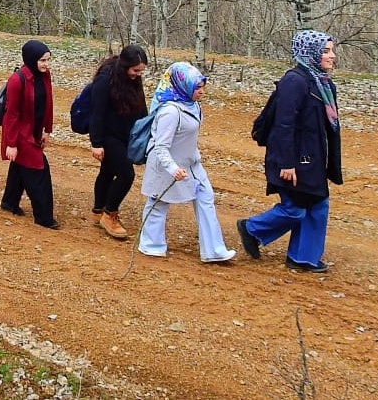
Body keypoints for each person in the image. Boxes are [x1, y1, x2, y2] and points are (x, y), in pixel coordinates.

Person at [237, 30, 343, 273]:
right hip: (291, 159)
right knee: (294, 209)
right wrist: (287, 163)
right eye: (326, 51)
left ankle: (303, 257)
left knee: (317, 205)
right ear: (311, 53)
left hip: (313, 158)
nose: (332, 56)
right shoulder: (294, 81)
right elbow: (283, 125)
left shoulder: (322, 83)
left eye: (331, 50)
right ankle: (252, 229)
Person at [137, 62, 236, 262]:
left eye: (202, 87)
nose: (201, 91)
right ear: (183, 87)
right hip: (166, 166)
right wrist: (173, 169)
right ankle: (151, 245)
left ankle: (214, 250)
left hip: (192, 165)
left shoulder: (193, 105)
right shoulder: (170, 112)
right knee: (158, 202)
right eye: (196, 87)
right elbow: (160, 147)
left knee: (205, 198)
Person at [88, 44, 149, 239]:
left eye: (141, 71)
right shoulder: (105, 80)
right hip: (108, 135)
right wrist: (96, 143)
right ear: (125, 66)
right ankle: (110, 214)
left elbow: (140, 104)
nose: (138, 74)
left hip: (126, 135)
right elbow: (96, 114)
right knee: (126, 174)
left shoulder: (133, 79)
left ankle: (98, 211)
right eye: (135, 70)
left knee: (107, 171)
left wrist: (146, 128)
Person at [0, 40, 58, 229]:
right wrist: (11, 144)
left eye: (48, 60)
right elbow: (12, 114)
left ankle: (9, 202)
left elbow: (48, 102)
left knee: (20, 168)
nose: (46, 64)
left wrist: (47, 130)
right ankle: (44, 217)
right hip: (21, 134)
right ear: (32, 59)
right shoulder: (17, 80)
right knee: (39, 171)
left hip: (35, 130)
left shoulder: (45, 75)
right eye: (42, 60)